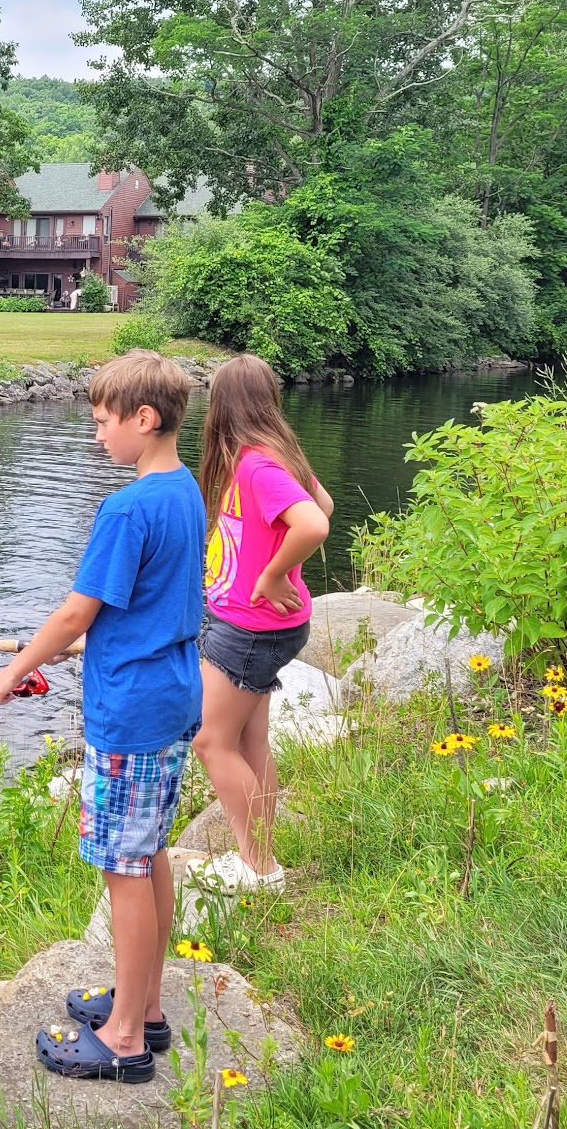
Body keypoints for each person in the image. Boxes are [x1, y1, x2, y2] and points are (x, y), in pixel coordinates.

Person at [0, 351, 204, 1084]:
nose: (96, 438)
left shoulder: (125, 508)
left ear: (143, 419)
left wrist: (15, 669)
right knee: (149, 853)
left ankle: (122, 1041)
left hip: (132, 713)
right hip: (173, 693)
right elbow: (144, 610)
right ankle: (143, 1006)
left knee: (123, 866)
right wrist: (88, 646)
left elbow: (80, 607)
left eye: (102, 423)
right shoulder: (184, 491)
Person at [191, 354, 332, 891]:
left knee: (210, 740)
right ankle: (263, 859)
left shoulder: (255, 464)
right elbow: (324, 499)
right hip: (261, 625)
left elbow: (315, 520)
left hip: (251, 627)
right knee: (250, 740)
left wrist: (273, 574)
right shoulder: (275, 455)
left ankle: (259, 867)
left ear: (222, 405)